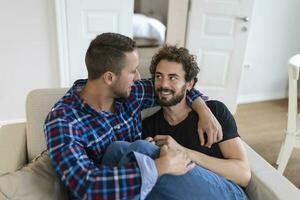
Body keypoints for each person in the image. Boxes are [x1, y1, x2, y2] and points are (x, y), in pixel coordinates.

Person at [44, 32, 222, 199]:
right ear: (109, 78)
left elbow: (173, 89)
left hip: (149, 188)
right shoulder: (63, 121)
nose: (138, 78)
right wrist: (159, 166)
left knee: (130, 148)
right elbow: (86, 186)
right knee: (129, 149)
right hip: (119, 192)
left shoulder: (131, 92)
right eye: (132, 71)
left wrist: (203, 109)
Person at [142, 45, 251, 199]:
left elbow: (243, 174)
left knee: (143, 151)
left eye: (173, 77)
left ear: (189, 84)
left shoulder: (214, 112)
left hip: (228, 192)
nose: (164, 84)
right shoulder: (149, 126)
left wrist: (183, 151)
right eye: (159, 76)